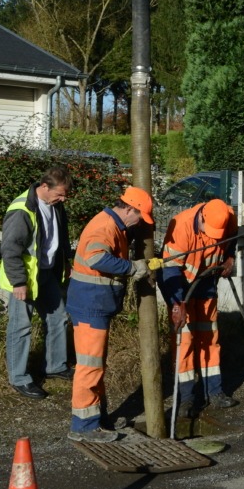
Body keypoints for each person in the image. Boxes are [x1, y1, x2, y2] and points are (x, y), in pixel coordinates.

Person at [65, 186, 155, 443]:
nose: (139, 222)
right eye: (139, 217)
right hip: (90, 305)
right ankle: (83, 426)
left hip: (93, 304)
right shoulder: (104, 227)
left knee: (95, 366)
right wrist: (131, 267)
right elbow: (96, 258)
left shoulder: (113, 224)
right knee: (89, 366)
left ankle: (96, 418)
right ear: (129, 209)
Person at [156, 197, 239, 419]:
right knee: (185, 342)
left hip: (206, 284)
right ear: (201, 218)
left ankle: (214, 391)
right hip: (180, 286)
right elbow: (170, 270)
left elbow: (232, 241)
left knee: (209, 338)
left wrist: (230, 258)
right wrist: (176, 303)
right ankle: (187, 398)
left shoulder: (229, 219)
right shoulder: (181, 225)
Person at [0, 165, 75, 400]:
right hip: (24, 278)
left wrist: (66, 263)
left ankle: (55, 366)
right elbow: (10, 250)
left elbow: (60, 238)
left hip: (47, 272)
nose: (62, 199)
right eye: (59, 194)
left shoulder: (56, 205)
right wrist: (19, 282)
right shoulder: (22, 209)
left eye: (64, 195)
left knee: (58, 318)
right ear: (44, 186)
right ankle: (19, 378)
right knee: (21, 327)